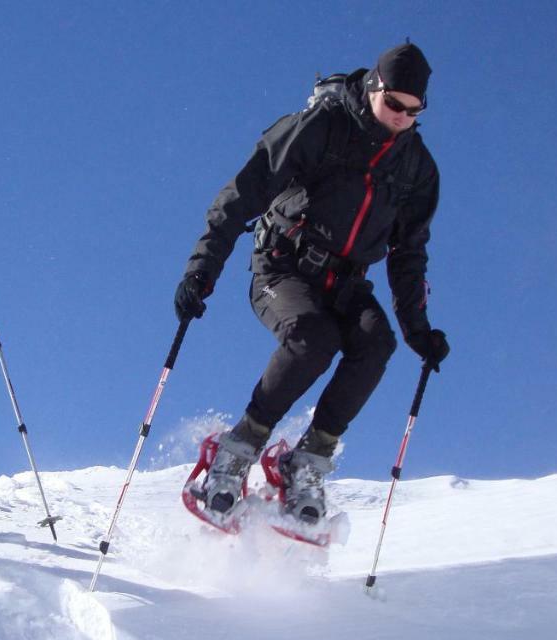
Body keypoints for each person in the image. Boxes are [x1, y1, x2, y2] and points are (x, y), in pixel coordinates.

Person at [174, 42, 451, 526]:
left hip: (345, 283)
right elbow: (240, 196)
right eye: (394, 105)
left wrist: (418, 330)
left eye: (414, 110)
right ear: (374, 88)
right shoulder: (322, 126)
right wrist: (202, 269)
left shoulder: (417, 169)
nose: (402, 117)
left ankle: (307, 461)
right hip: (283, 265)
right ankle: (236, 451)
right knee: (312, 339)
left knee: (376, 343)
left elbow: (408, 254)